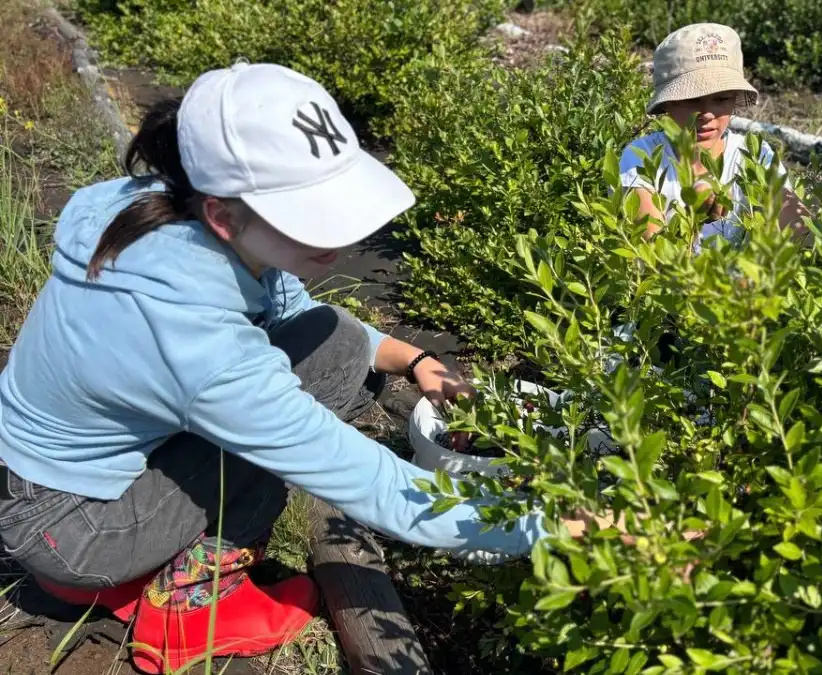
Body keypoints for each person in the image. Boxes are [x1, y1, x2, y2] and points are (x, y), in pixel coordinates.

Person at [0, 63, 592, 673]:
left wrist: (418, 361)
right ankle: (187, 606)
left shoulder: (167, 208)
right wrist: (554, 524)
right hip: (75, 530)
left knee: (328, 341)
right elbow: (377, 486)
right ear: (225, 215)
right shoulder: (197, 341)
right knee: (269, 445)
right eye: (310, 218)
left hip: (55, 477)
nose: (341, 237)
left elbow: (297, 310)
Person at [620, 23, 810, 249]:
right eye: (691, 99)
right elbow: (655, 256)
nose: (707, 113)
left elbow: (802, 236)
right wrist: (692, 218)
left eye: (721, 99)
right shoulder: (642, 157)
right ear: (667, 104)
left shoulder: (753, 155)